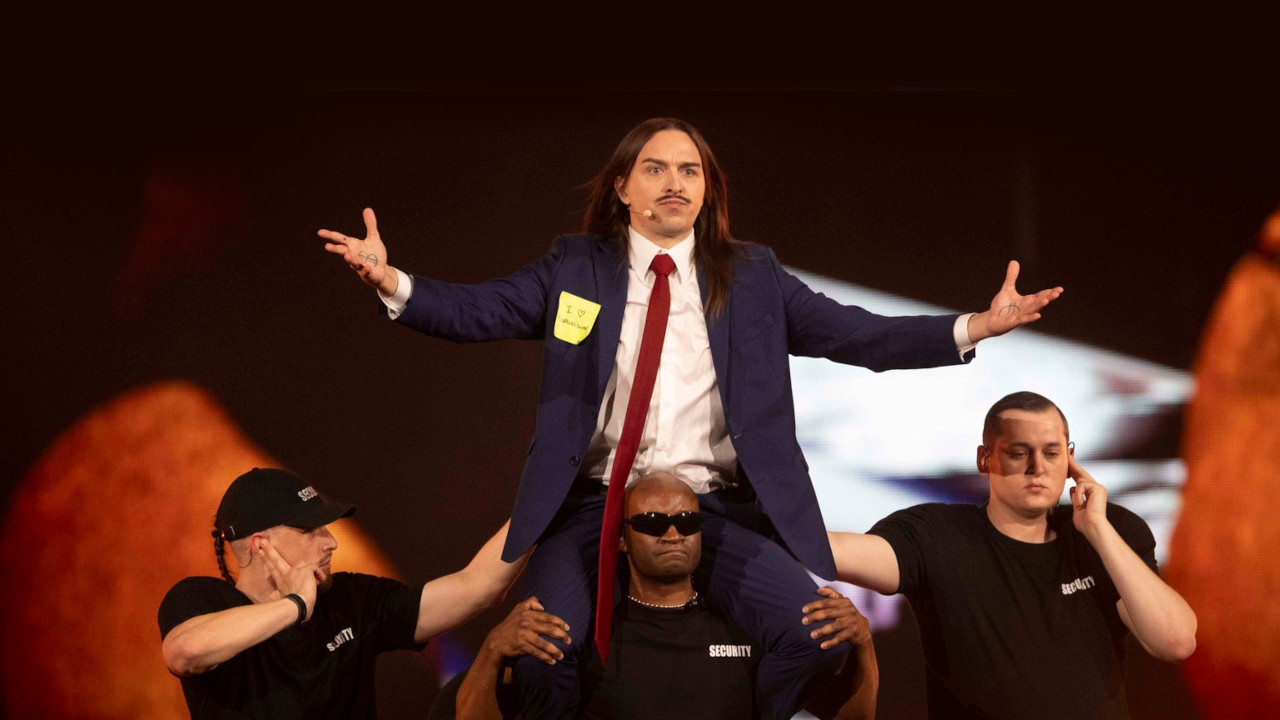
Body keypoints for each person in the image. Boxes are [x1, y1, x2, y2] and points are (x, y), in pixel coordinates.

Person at [320, 117, 1062, 719]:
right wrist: (394, 281)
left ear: (708, 190)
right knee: (543, 656)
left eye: (690, 170)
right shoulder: (575, 267)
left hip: (714, 512)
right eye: (655, 168)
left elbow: (859, 335)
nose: (675, 182)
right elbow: (479, 310)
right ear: (622, 188)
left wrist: (973, 327)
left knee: (818, 640)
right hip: (595, 508)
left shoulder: (755, 277)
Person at [827, 391, 1198, 719]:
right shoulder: (935, 534)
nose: (1037, 467)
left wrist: (1098, 530)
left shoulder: (1110, 530)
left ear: (1070, 459)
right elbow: (831, 552)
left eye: (1052, 453)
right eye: (1019, 453)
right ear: (984, 459)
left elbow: (1175, 642)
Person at [441, 471, 878, 720]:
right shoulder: (577, 637)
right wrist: (492, 650)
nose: (673, 534)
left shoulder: (750, 632)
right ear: (621, 539)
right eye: (652, 523)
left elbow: (848, 716)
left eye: (688, 523)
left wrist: (863, 646)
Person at [158, 467, 529, 719]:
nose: (331, 542)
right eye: (310, 530)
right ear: (260, 545)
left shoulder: (350, 599)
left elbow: (477, 586)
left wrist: (544, 504)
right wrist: (294, 606)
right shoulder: (203, 599)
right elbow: (184, 652)